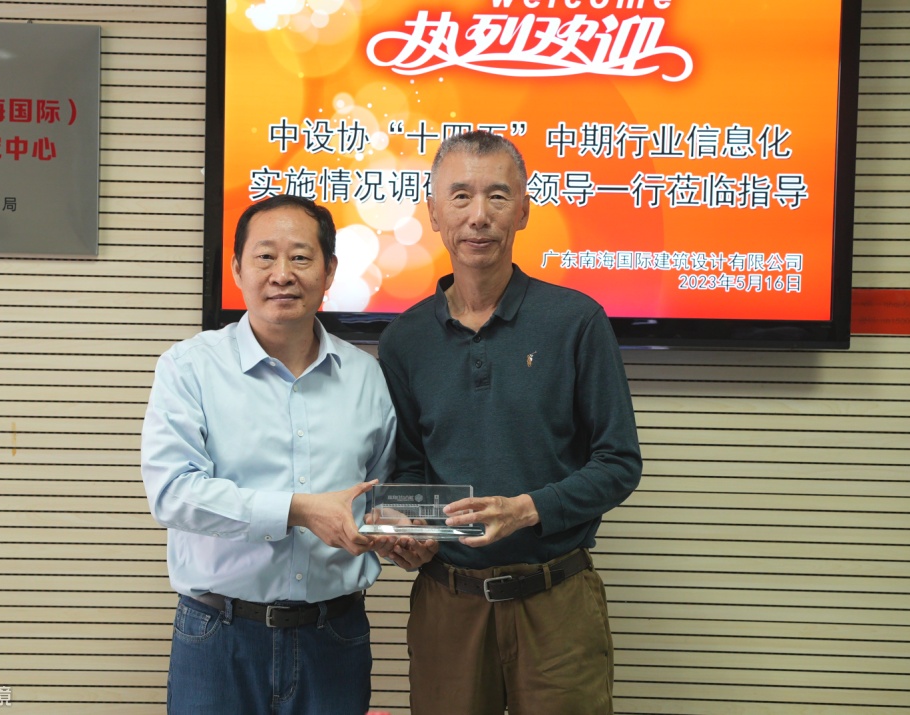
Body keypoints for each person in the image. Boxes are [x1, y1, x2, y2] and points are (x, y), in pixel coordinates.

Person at [376, 130, 642, 715]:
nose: (479, 216)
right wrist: (412, 536)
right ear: (434, 212)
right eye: (461, 196)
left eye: (497, 196)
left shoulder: (576, 321)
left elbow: (619, 463)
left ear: (523, 210)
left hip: (556, 602)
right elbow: (412, 469)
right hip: (449, 604)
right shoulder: (404, 340)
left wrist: (527, 509)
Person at [141, 194, 396, 715]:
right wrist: (299, 510)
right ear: (237, 269)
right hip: (218, 634)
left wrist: (399, 535)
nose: (283, 274)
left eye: (301, 257)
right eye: (265, 257)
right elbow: (173, 494)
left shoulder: (366, 377)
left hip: (335, 636)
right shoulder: (188, 368)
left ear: (329, 272)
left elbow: (377, 495)